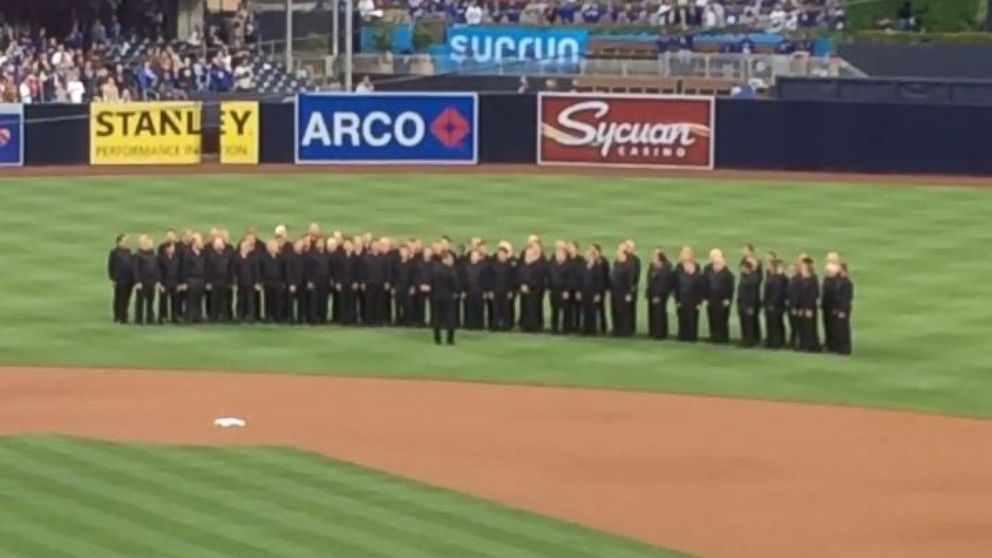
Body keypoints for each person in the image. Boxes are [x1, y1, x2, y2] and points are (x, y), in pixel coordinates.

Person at [704, 249, 734, 344]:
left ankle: (723, 338)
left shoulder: (728, 274)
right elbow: (704, 285)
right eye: (715, 262)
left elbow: (730, 288)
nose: (716, 264)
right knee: (712, 318)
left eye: (718, 263)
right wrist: (705, 298)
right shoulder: (708, 270)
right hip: (711, 299)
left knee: (722, 320)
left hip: (722, 300)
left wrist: (728, 299)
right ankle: (714, 337)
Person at [674, 247, 705, 342]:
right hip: (681, 296)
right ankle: (682, 336)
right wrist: (677, 298)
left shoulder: (696, 266)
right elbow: (675, 283)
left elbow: (700, 283)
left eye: (685, 253)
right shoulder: (679, 267)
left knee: (692, 317)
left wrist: (692, 274)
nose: (683, 255)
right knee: (682, 316)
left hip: (693, 297)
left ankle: (692, 336)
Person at [431, 251, 460, 345]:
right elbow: (455, 284)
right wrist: (456, 291)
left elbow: (432, 283)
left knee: (437, 317)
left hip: (437, 296)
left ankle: (437, 338)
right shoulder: (451, 270)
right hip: (448, 297)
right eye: (451, 258)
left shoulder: (435, 269)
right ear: (446, 259)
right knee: (450, 318)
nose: (452, 260)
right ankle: (450, 339)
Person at [646, 248, 675, 340]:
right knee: (653, 313)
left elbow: (664, 283)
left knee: (660, 314)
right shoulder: (652, 266)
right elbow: (649, 279)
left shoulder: (666, 268)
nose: (653, 256)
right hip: (652, 293)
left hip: (661, 295)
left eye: (655, 255)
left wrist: (658, 296)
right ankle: (653, 332)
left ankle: (660, 333)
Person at [133, 234, 161, 325]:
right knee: (140, 301)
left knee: (150, 301)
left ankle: (150, 318)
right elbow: (135, 269)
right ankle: (139, 319)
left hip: (151, 281)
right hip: (142, 281)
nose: (151, 244)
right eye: (149, 242)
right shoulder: (138, 255)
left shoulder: (153, 255)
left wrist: (157, 281)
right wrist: (137, 281)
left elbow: (157, 268)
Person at [517, 245, 546, 332]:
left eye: (530, 255)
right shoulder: (522, 266)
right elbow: (519, 277)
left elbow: (538, 279)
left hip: (534, 292)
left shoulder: (537, 266)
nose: (528, 256)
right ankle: (524, 325)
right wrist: (521, 285)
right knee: (524, 308)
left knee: (533, 309)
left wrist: (529, 286)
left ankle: (534, 327)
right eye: (527, 254)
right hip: (523, 292)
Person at [579, 246, 606, 336]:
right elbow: (581, 279)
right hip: (584, 293)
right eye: (586, 255)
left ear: (592, 256)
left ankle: (592, 330)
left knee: (592, 312)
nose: (586, 257)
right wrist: (579, 291)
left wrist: (598, 294)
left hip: (593, 293)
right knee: (585, 311)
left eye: (588, 255)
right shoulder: (583, 266)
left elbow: (600, 281)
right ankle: (585, 329)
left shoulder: (597, 267)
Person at [108, 234, 135, 324]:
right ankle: (117, 316)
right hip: (119, 279)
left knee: (126, 298)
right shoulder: (114, 252)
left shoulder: (128, 251)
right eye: (125, 241)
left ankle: (124, 316)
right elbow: (110, 266)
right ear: (119, 242)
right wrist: (112, 279)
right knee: (119, 298)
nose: (127, 243)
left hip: (129, 279)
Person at [206, 236, 234, 323]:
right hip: (214, 280)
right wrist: (208, 282)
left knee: (224, 299)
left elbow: (231, 269)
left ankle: (224, 316)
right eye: (217, 244)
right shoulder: (210, 255)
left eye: (220, 244)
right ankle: (213, 317)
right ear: (214, 245)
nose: (218, 246)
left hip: (225, 280)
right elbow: (208, 270)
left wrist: (231, 281)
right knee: (214, 299)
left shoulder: (228, 255)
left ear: (223, 245)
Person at [828, 262, 854, 355]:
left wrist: (842, 310)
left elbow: (846, 298)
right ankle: (839, 347)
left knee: (843, 328)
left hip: (843, 309)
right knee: (838, 328)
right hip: (838, 308)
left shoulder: (847, 283)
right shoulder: (839, 281)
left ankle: (845, 349)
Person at [180, 234, 207, 324]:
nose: (202, 243)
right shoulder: (188, 254)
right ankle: (189, 316)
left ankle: (198, 316)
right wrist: (185, 282)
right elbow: (184, 268)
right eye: (200, 242)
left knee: (199, 298)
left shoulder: (202, 253)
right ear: (194, 243)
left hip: (201, 279)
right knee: (191, 299)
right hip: (191, 279)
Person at [796, 257, 821, 352]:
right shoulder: (801, 278)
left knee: (809, 327)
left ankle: (811, 345)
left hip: (809, 307)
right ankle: (803, 344)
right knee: (802, 326)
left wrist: (809, 308)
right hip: (801, 306)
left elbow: (813, 294)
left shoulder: (813, 279)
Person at [233, 240, 261, 324]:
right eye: (245, 246)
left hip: (250, 283)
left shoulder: (252, 257)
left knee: (250, 301)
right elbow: (234, 270)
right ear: (241, 247)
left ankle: (250, 317)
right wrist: (234, 280)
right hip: (240, 282)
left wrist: (257, 282)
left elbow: (256, 271)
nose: (246, 248)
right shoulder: (236, 257)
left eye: (247, 247)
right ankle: (239, 316)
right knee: (240, 300)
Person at [610, 246, 635, 337]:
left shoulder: (628, 266)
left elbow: (630, 281)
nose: (617, 255)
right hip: (615, 292)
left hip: (623, 293)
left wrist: (629, 293)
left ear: (624, 255)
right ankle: (617, 329)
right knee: (616, 311)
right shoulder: (616, 264)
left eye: (619, 253)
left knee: (623, 312)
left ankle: (624, 331)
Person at [763, 259, 788, 349]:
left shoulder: (777, 279)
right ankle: (771, 341)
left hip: (775, 305)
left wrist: (771, 304)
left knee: (775, 324)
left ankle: (775, 342)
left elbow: (776, 293)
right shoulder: (772, 277)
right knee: (771, 323)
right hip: (771, 304)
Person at [462, 248, 490, 330]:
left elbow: (486, 279)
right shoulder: (466, 266)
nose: (474, 257)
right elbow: (463, 279)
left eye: (476, 255)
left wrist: (485, 291)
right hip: (469, 290)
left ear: (479, 257)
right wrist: (463, 290)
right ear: (470, 257)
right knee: (469, 308)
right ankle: (469, 325)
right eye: (473, 255)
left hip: (479, 291)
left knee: (479, 308)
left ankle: (479, 325)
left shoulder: (483, 267)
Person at [306, 238, 332, 325]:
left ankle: (323, 317)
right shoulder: (311, 254)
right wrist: (309, 281)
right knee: (314, 300)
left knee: (323, 299)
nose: (321, 244)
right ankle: (314, 318)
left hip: (325, 280)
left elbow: (331, 268)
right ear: (316, 244)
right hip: (315, 280)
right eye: (319, 243)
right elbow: (308, 268)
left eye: (322, 243)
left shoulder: (327, 254)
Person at [736, 259, 762, 347]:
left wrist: (751, 307)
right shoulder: (744, 277)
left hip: (748, 305)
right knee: (744, 323)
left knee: (749, 324)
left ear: (748, 268)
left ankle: (750, 341)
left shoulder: (753, 279)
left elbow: (753, 294)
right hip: (742, 304)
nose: (741, 270)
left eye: (743, 268)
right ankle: (745, 339)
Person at [490, 246, 516, 331]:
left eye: (503, 254)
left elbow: (512, 279)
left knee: (506, 309)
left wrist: (511, 291)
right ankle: (495, 326)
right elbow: (490, 278)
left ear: (506, 255)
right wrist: (490, 290)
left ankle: (506, 326)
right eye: (500, 254)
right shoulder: (493, 265)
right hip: (496, 290)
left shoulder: (510, 265)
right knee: (496, 309)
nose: (501, 256)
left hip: (506, 291)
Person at [260, 239, 286, 323]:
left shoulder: (281, 258)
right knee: (268, 300)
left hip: (278, 282)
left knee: (278, 300)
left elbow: (284, 270)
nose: (273, 248)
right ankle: (268, 316)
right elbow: (261, 270)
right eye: (271, 246)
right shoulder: (264, 258)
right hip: (268, 282)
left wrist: (283, 281)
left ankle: (278, 316)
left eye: (275, 246)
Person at [158, 240, 183, 324]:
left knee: (175, 300)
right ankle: (162, 317)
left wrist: (180, 283)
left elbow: (179, 271)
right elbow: (159, 271)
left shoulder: (176, 258)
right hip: (165, 282)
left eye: (174, 247)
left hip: (174, 282)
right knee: (163, 300)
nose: (173, 249)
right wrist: (160, 283)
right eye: (172, 247)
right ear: (167, 248)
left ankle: (174, 316)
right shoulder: (161, 258)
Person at [547, 242, 570, 333]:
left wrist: (567, 291)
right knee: (554, 309)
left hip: (563, 291)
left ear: (564, 255)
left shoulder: (568, 266)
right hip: (554, 290)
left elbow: (570, 279)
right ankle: (554, 327)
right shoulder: (553, 264)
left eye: (561, 254)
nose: (559, 256)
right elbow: (549, 276)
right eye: (557, 254)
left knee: (565, 310)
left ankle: (565, 328)